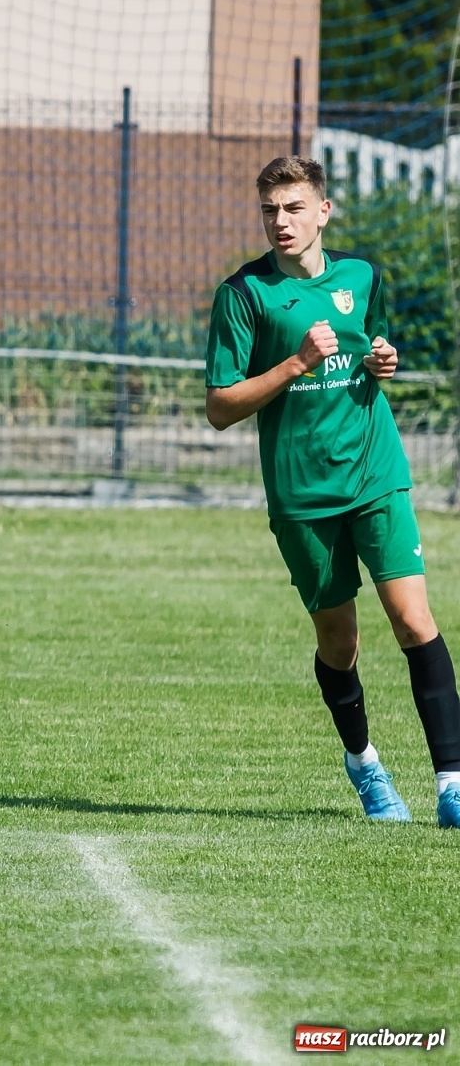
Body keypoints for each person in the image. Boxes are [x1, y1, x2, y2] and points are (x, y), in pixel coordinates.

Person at [205, 155, 460, 827]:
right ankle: (366, 766)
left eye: (293, 208)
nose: (280, 222)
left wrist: (383, 359)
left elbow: (371, 344)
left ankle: (452, 785)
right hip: (302, 493)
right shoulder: (244, 295)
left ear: (324, 210)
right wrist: (295, 363)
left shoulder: (363, 275)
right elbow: (221, 406)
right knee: (340, 642)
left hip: (375, 470)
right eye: (269, 210)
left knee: (413, 619)